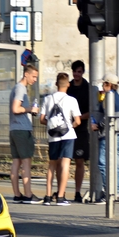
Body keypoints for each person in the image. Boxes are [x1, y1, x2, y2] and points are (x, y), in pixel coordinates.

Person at [40, 73, 82, 206]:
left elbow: (42, 119)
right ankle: (60, 197)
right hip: (68, 135)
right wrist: (70, 126)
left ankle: (47, 196)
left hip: (53, 136)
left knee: (52, 164)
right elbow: (78, 121)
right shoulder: (71, 100)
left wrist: (53, 125)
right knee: (65, 164)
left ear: (56, 84)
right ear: (68, 84)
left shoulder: (47, 99)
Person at [9, 64, 42, 204]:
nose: (34, 79)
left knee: (16, 162)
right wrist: (30, 109)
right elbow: (16, 109)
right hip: (22, 130)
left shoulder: (17, 88)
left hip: (14, 129)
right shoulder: (21, 89)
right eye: (33, 76)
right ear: (26, 74)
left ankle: (17, 194)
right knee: (26, 163)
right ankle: (28, 195)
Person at [92, 73, 119, 204]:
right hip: (117, 133)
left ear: (109, 85)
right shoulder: (117, 97)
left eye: (104, 84)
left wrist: (98, 126)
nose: (102, 86)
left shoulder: (109, 97)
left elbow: (108, 117)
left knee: (103, 163)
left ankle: (108, 193)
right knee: (115, 164)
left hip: (107, 134)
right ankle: (116, 192)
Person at [67, 60, 90, 203]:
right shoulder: (68, 87)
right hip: (67, 128)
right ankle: (61, 191)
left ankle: (77, 192)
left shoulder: (87, 88)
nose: (76, 74)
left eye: (79, 72)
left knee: (79, 160)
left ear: (83, 72)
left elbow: (90, 110)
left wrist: (79, 118)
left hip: (81, 129)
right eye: (75, 71)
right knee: (64, 160)